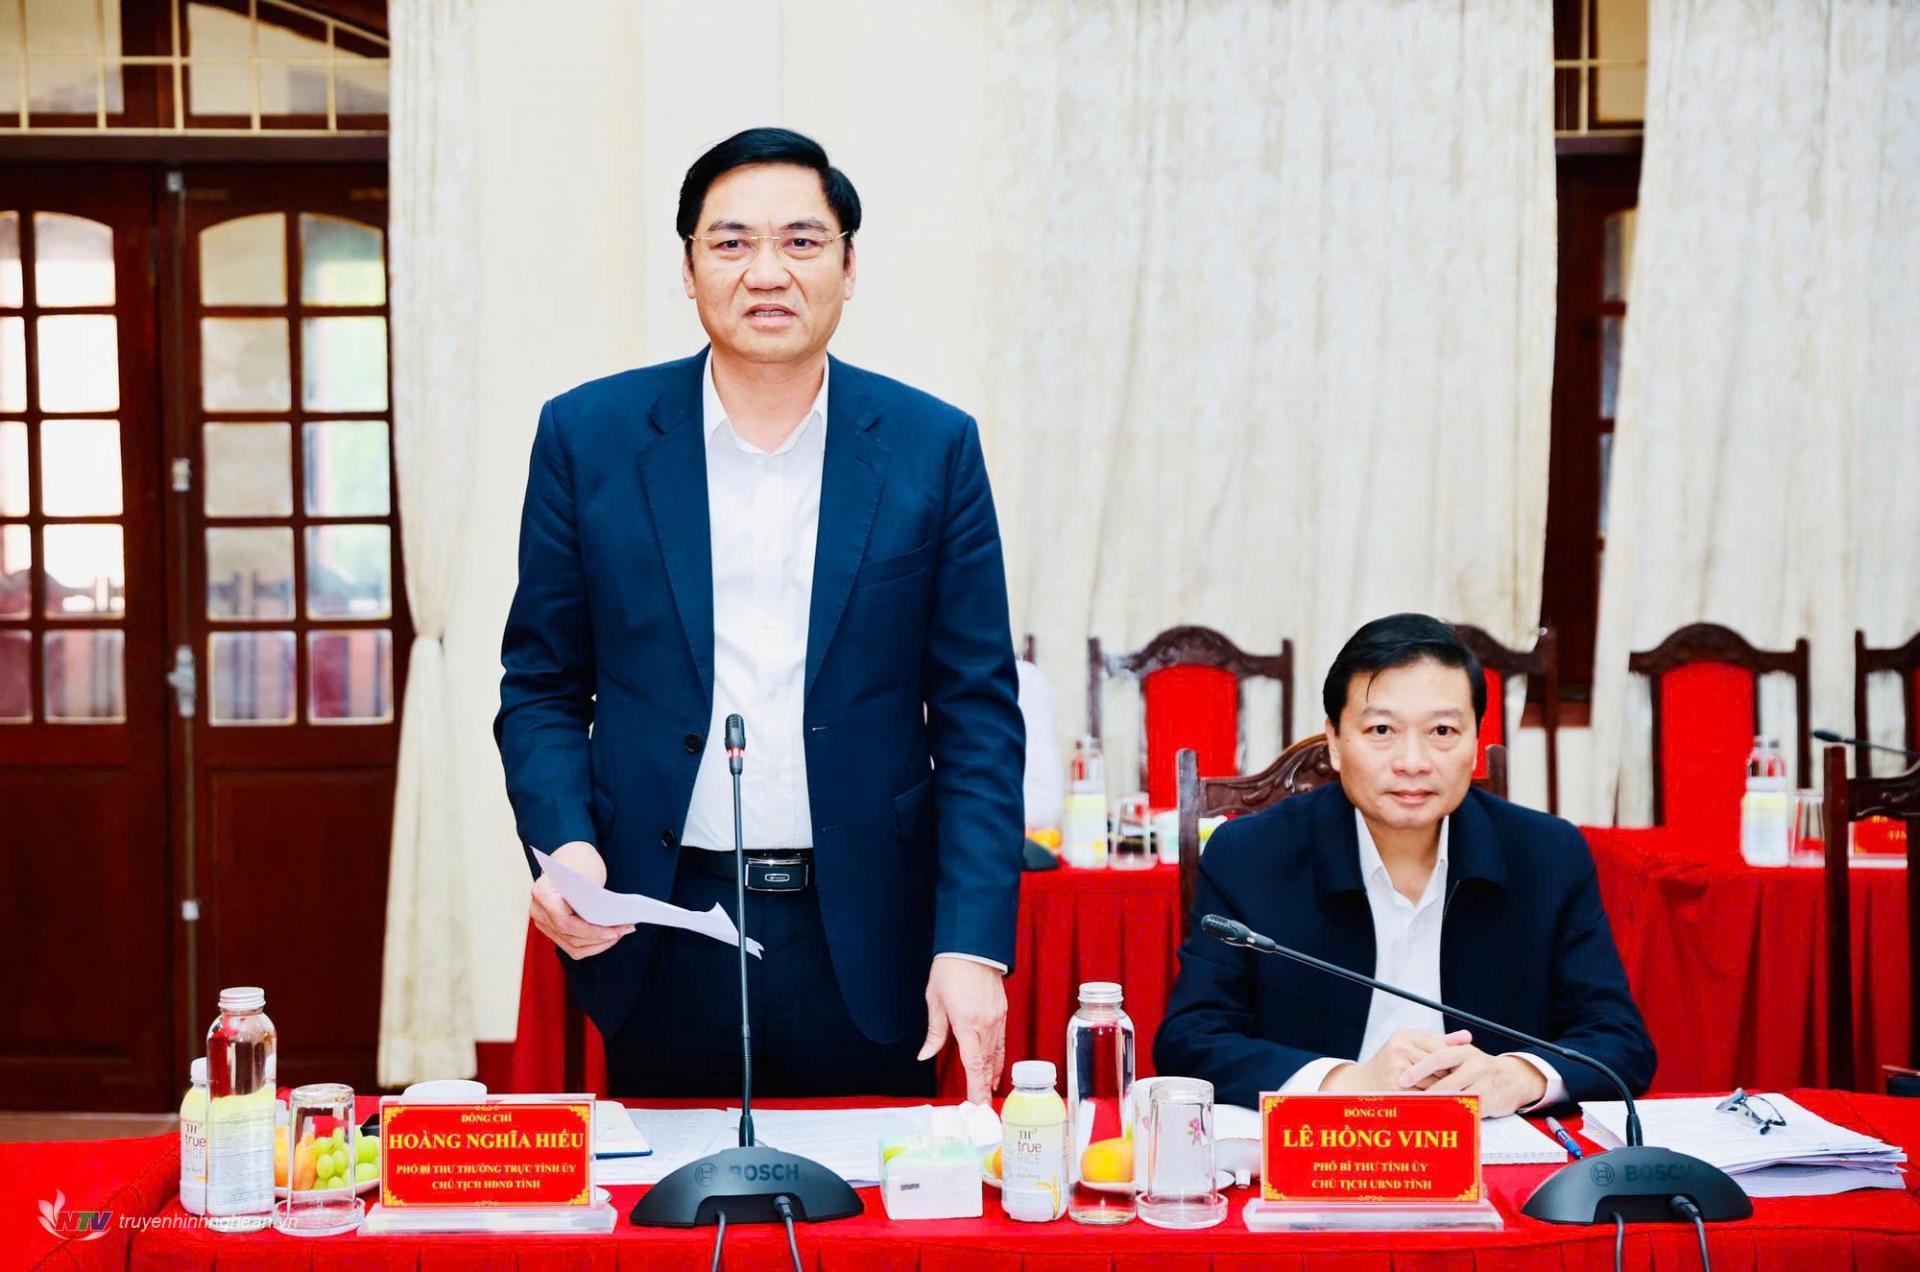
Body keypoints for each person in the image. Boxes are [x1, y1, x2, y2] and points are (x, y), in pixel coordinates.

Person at [494, 127, 1024, 1101]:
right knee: (667, 1193)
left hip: (869, 932)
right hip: (656, 920)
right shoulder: (588, 437)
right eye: (732, 242)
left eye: (802, 241)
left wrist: (973, 943)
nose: (767, 271)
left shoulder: (932, 447)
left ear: (849, 268)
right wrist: (567, 844)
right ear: (688, 268)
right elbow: (541, 687)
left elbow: (978, 717)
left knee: (872, 1193)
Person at [1154, 613, 1654, 1112]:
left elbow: (1619, 1040)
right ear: (1335, 741)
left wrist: (1519, 1076)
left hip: (1493, 1144)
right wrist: (1344, 1081)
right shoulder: (1250, 856)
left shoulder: (1548, 856)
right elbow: (1191, 1039)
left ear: (1475, 743)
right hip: (1325, 1144)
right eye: (1381, 729)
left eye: (1442, 730)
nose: (1413, 762)